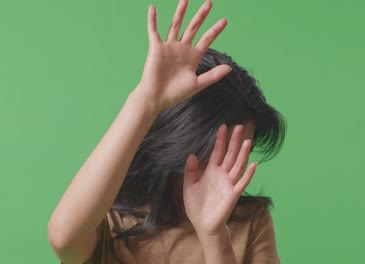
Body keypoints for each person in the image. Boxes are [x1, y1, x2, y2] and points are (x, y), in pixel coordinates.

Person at [48, 0, 286, 263]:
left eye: (241, 150)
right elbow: (64, 240)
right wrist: (146, 101)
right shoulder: (109, 219)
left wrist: (214, 236)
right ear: (181, 140)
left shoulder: (250, 221)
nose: (228, 167)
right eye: (218, 150)